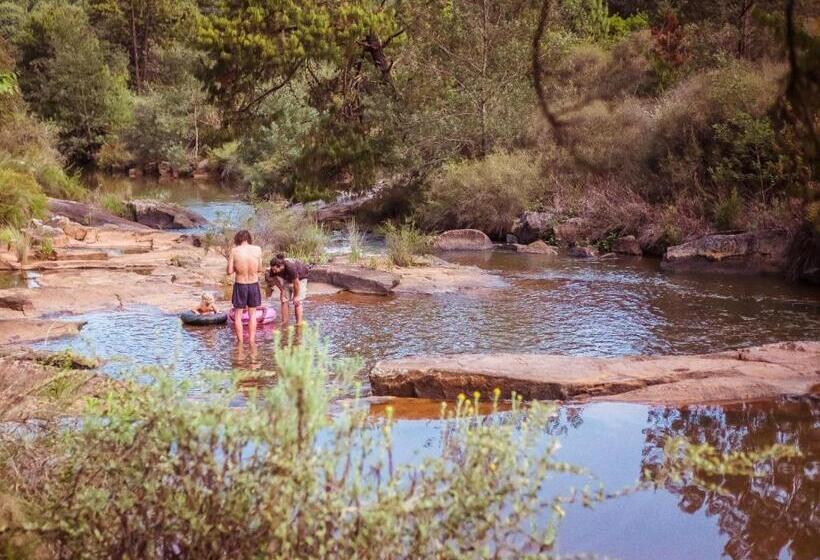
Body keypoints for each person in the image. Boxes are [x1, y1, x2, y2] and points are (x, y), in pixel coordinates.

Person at [227, 230, 262, 344]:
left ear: (238, 239)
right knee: (252, 315)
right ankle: (252, 341)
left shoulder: (234, 251)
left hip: (240, 284)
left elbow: (229, 271)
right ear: (248, 239)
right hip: (253, 283)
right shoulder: (257, 249)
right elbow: (260, 269)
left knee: (238, 315)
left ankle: (240, 342)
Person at [266, 253, 310, 324]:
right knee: (284, 300)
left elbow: (296, 283)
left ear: (281, 266)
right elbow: (274, 279)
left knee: (297, 302)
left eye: (275, 269)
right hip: (287, 279)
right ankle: (284, 322)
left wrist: (296, 296)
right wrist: (282, 290)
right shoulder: (273, 268)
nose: (273, 271)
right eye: (272, 269)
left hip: (301, 278)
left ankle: (298, 324)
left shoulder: (290, 267)